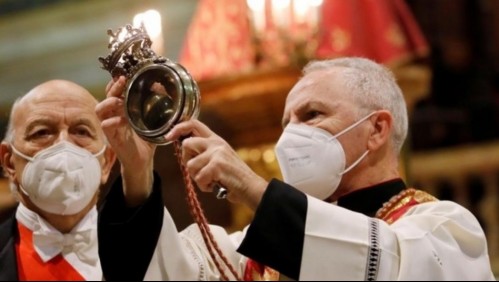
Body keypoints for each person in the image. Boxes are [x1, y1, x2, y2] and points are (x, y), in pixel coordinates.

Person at [97, 57, 496, 280]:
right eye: (286, 124)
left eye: (312, 115)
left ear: (376, 129)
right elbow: (166, 273)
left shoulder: (445, 232)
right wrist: (137, 170)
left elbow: (389, 264)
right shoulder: (254, 254)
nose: (291, 136)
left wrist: (250, 186)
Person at [0, 80, 117, 280]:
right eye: (42, 132)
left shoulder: (148, 250)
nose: (64, 146)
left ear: (106, 162)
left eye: (81, 132)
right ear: (9, 162)